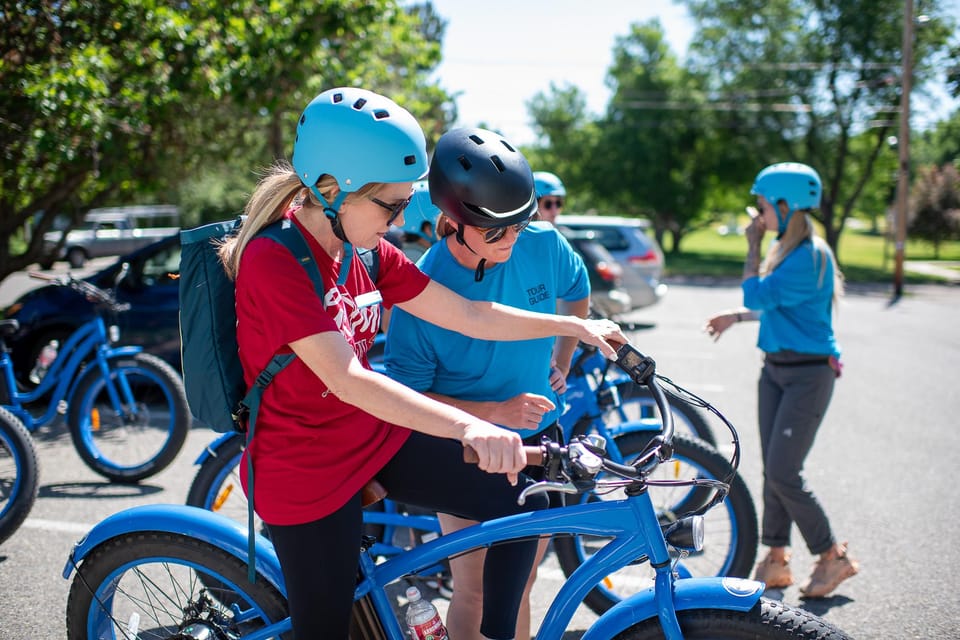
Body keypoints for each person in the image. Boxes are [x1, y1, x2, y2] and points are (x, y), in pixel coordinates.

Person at [218, 87, 626, 640]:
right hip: (304, 464)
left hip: (364, 438)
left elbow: (469, 313)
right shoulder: (275, 260)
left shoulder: (365, 251)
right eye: (392, 203)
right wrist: (473, 425)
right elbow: (348, 379)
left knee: (525, 495)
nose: (405, 217)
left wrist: (572, 326)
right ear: (332, 190)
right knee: (327, 629)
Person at [385, 128, 591, 640]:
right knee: (474, 591)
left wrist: (562, 357)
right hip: (467, 447)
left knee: (516, 589)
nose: (513, 241)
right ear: (453, 222)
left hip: (541, 440)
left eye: (519, 225)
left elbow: (577, 290)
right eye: (496, 233)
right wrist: (495, 412)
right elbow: (407, 402)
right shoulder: (421, 292)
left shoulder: (541, 242)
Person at [703, 162, 858, 599]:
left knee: (785, 472)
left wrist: (751, 247)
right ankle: (775, 559)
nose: (759, 215)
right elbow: (773, 306)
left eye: (763, 206)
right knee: (775, 469)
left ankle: (831, 557)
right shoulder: (790, 251)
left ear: (787, 206)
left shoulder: (809, 256)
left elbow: (758, 293)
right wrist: (737, 317)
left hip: (808, 375)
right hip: (776, 370)